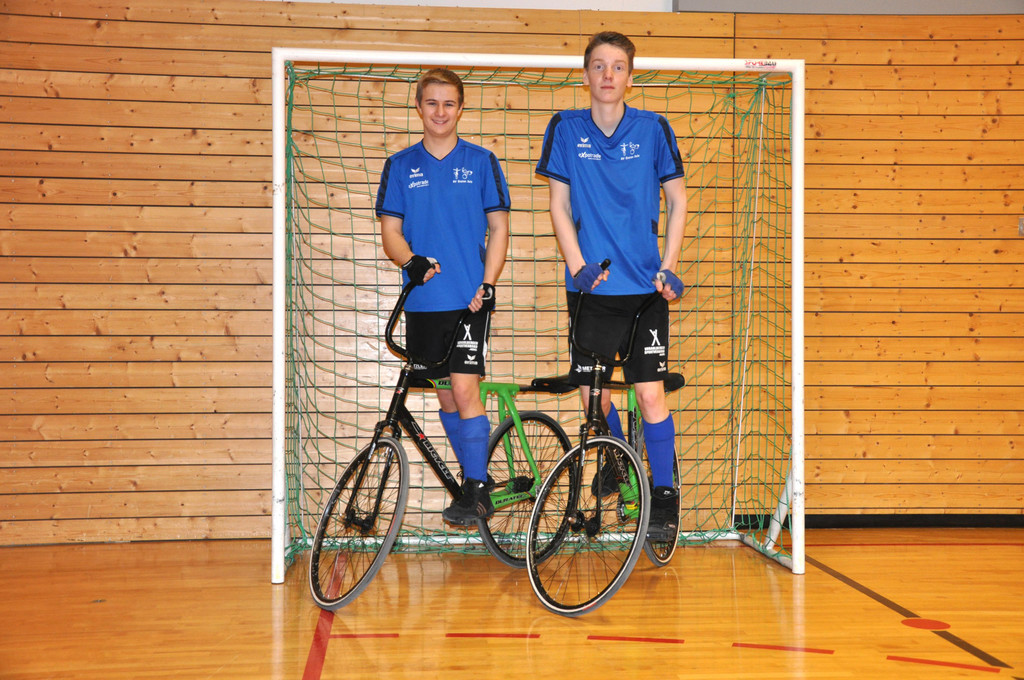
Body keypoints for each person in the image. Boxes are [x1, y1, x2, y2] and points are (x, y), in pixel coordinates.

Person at [535, 32, 687, 540]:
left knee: (649, 395)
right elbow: (558, 204)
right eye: (598, 66)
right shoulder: (565, 127)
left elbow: (678, 201)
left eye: (617, 66)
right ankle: (621, 464)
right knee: (592, 400)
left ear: (629, 76)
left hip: (644, 291)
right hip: (590, 291)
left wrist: (669, 265)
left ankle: (662, 496)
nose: (607, 75)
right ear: (585, 75)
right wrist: (576, 263)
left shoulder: (654, 128)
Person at [376, 68, 511, 526]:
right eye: (431, 102)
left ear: (460, 108)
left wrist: (488, 283)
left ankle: (476, 489)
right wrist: (410, 260)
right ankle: (478, 479)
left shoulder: (482, 161)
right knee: (447, 398)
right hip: (423, 303)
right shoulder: (400, 166)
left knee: (464, 387)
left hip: (470, 300)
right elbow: (391, 233)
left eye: (448, 103)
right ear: (419, 107)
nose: (440, 111)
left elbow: (499, 228)